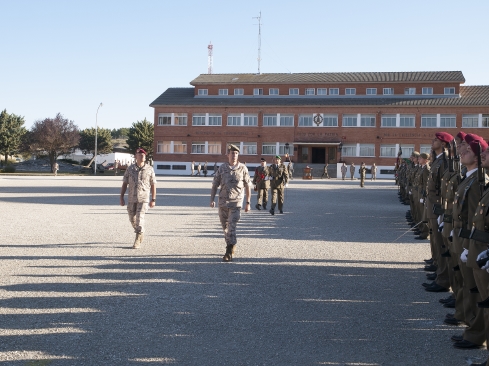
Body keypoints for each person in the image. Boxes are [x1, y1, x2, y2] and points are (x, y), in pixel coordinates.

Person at [210, 144, 251, 262]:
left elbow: (248, 186)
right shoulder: (222, 168)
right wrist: (212, 199)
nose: (234, 155)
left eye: (236, 153)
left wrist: (248, 202)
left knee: (231, 227)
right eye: (232, 153)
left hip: (236, 203)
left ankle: (228, 251)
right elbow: (215, 185)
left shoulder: (243, 168)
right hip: (222, 203)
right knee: (225, 227)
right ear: (228, 155)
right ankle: (231, 245)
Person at [120, 148, 157, 249]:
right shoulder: (130, 169)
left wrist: (153, 199)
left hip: (144, 198)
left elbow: (153, 184)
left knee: (140, 218)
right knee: (132, 219)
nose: (142, 156)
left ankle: (137, 239)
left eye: (144, 155)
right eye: (140, 155)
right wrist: (121, 197)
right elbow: (124, 183)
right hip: (131, 198)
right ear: (135, 156)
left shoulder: (149, 169)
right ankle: (141, 232)